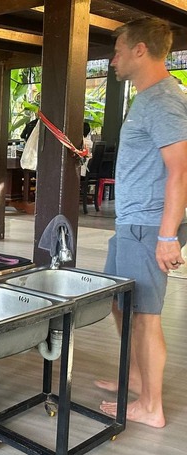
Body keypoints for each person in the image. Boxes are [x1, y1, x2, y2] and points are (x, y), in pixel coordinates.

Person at [95, 17, 187, 428]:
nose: (112, 59)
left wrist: (168, 236)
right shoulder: (148, 98)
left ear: (140, 50)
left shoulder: (164, 99)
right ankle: (135, 375)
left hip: (148, 227)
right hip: (132, 224)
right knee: (118, 302)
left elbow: (180, 170)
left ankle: (151, 406)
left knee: (145, 316)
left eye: (117, 50)